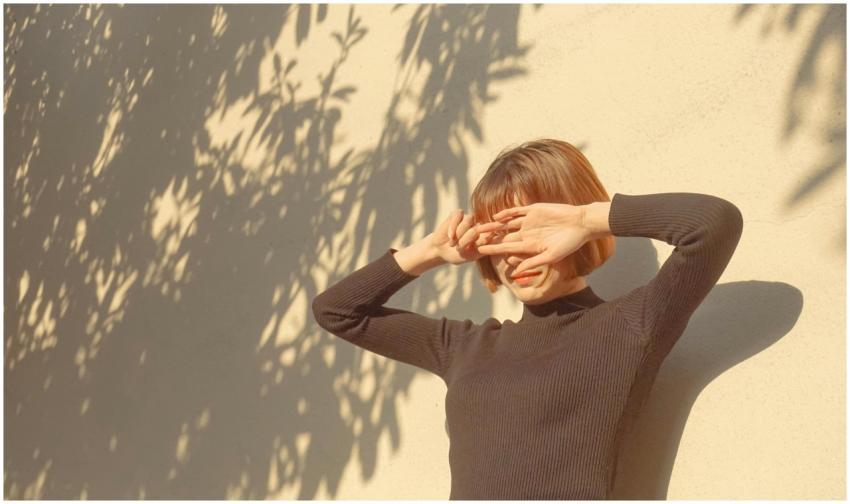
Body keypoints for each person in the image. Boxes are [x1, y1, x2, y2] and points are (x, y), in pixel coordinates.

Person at [311, 138, 744, 500]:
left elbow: (712, 225)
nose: (514, 252)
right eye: (498, 238)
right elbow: (337, 311)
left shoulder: (630, 326)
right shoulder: (462, 346)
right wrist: (428, 253)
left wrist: (585, 217)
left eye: (529, 230)